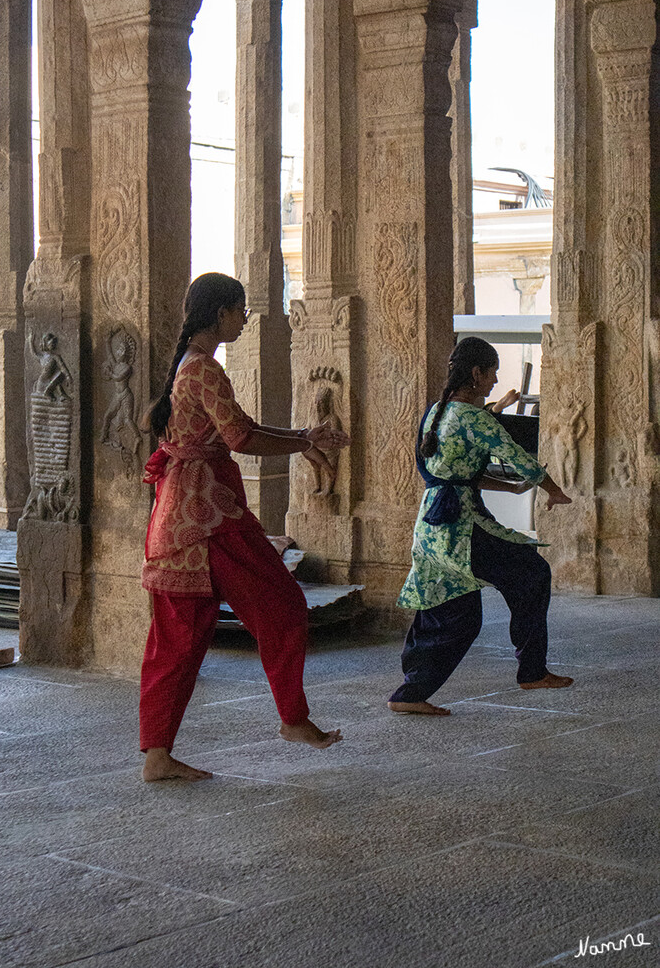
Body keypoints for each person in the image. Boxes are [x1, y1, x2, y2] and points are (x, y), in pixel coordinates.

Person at [139, 273, 351, 781]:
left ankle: (157, 755)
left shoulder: (188, 367)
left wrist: (303, 436)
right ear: (221, 314)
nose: (246, 318)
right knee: (282, 607)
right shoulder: (205, 371)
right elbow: (240, 437)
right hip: (209, 519)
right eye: (242, 310)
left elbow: (240, 430)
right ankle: (293, 719)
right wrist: (303, 442)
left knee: (177, 641)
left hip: (180, 519)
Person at [388, 336, 574, 716]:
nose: (493, 381)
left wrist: (513, 487)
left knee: (450, 609)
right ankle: (532, 671)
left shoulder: (435, 412)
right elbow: (516, 455)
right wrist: (552, 490)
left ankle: (409, 694)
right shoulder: (470, 417)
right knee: (532, 573)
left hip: (432, 528)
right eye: (491, 373)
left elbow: (454, 474)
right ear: (476, 373)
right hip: (460, 528)